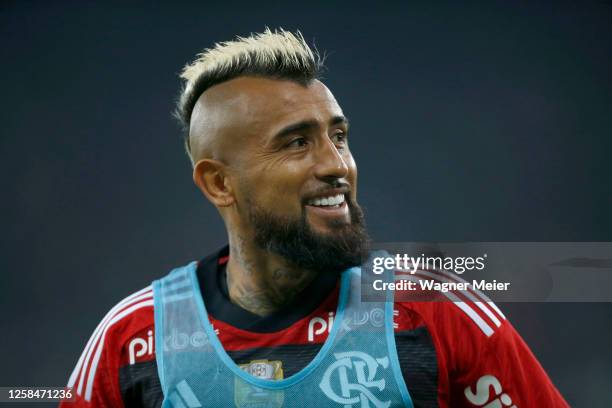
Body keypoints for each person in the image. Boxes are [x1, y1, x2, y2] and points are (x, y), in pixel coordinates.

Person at [61, 29, 568, 407]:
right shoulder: (129, 341)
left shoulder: (437, 313)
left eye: (339, 137)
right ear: (219, 183)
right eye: (297, 142)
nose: (336, 165)